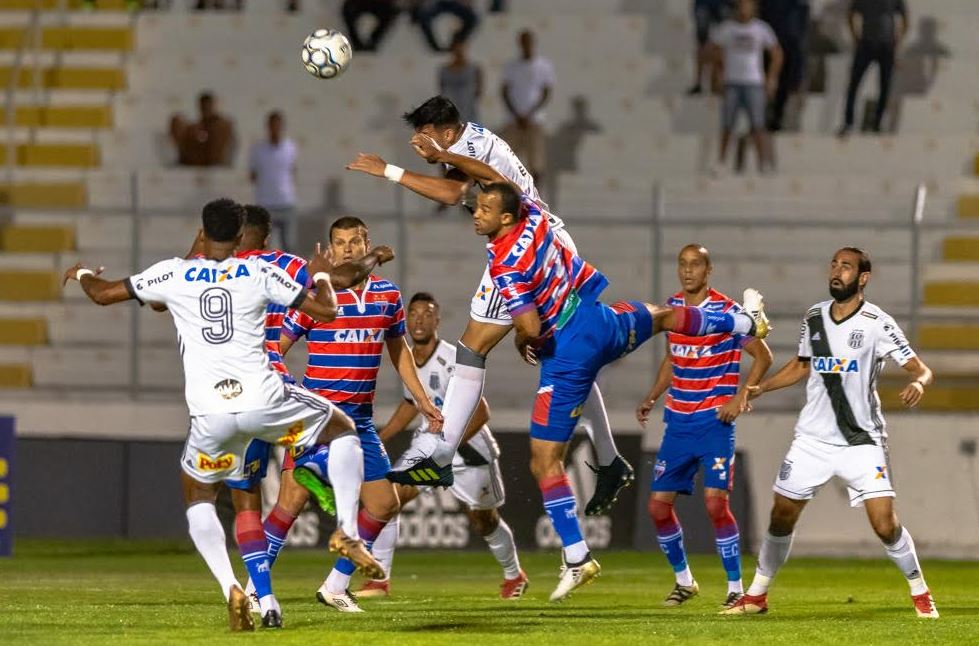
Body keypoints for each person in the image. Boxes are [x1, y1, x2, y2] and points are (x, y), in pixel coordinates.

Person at [62, 198, 379, 631]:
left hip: (210, 415)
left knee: (203, 497)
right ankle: (345, 527)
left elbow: (103, 295)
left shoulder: (172, 272)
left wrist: (81, 274)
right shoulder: (261, 270)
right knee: (342, 429)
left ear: (203, 231)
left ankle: (236, 586)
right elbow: (327, 307)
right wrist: (323, 271)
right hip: (266, 399)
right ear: (247, 235)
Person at [474, 182, 771, 601]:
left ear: (505, 217)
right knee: (664, 314)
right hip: (600, 321)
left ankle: (577, 557)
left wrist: (523, 341)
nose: (475, 211)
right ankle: (745, 323)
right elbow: (498, 181)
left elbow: (530, 328)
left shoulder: (505, 265)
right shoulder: (535, 217)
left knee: (544, 461)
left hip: (570, 355)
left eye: (485, 207)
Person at [346, 95, 636, 517]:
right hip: (547, 243)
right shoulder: (467, 146)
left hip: (524, 249)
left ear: (446, 133)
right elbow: (454, 192)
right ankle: (609, 461)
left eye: (424, 136)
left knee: (471, 348)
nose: (417, 144)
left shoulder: (473, 150)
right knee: (566, 358)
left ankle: (442, 456)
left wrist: (402, 166)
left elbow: (499, 186)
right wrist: (406, 166)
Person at [724, 247, 938, 619]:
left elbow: (921, 369)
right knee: (780, 516)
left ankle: (920, 592)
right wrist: (762, 388)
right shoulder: (815, 316)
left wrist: (919, 383)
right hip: (812, 440)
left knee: (884, 523)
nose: (837, 272)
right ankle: (756, 595)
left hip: (861, 440)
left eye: (847, 267)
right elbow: (801, 365)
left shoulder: (877, 322)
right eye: (834, 265)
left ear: (863, 277)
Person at [261, 216, 444, 614]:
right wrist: (286, 392)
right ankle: (254, 587)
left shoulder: (388, 296)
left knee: (383, 504)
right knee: (289, 505)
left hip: (359, 420)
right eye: (339, 243)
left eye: (354, 241)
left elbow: (400, 353)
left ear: (367, 244)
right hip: (318, 418)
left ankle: (335, 585)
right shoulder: (316, 296)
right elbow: (275, 346)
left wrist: (423, 400)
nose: (346, 249)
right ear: (329, 250)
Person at [360, 292, 528, 600]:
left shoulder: (451, 357)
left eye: (427, 313)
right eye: (414, 314)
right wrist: (375, 438)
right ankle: (379, 581)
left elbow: (481, 412)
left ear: (437, 321)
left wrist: (447, 447)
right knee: (388, 500)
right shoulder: (407, 358)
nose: (420, 319)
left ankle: (514, 576)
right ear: (406, 319)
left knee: (483, 520)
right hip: (428, 447)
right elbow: (411, 406)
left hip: (469, 452)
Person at [636, 245, 772, 609]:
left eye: (695, 264)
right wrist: (652, 396)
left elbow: (764, 355)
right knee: (657, 508)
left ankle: (734, 587)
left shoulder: (729, 312)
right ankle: (684, 582)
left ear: (708, 270)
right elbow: (672, 357)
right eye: (682, 264)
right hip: (677, 424)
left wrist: (740, 397)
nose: (688, 271)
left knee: (715, 505)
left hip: (714, 423)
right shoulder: (672, 308)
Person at [707, 0, 782, 173]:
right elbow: (713, 50)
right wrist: (718, 72)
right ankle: (722, 161)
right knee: (727, 124)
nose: (743, 9)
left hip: (754, 82)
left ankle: (763, 163)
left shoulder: (761, 28)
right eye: (740, 6)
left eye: (746, 6)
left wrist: (771, 77)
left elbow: (777, 53)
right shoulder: (727, 28)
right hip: (732, 81)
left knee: (758, 124)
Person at [837, 0, 908, 137]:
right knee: (854, 84)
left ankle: (877, 124)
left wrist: (897, 41)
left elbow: (905, 19)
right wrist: (855, 37)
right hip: (866, 44)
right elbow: (851, 14)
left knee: (885, 86)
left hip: (887, 46)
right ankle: (848, 122)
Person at [501, 30, 555, 183]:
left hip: (534, 121)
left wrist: (529, 114)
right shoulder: (511, 66)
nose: (526, 45)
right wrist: (517, 114)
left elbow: (546, 93)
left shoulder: (544, 65)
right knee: (506, 163)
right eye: (523, 42)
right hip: (513, 120)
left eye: (528, 42)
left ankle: (535, 201)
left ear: (533, 43)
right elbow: (504, 92)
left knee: (536, 165)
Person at [249, 112, 298, 253]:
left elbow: (293, 170)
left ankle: (289, 274)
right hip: (265, 204)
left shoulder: (290, 147)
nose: (275, 128)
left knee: (288, 245)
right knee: (264, 245)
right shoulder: (258, 149)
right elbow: (253, 175)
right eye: (272, 125)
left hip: (285, 202)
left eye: (278, 125)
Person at [760, 0, 810, 132]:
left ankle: (778, 117)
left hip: (790, 47)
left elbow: (799, 35)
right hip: (770, 45)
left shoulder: (798, 8)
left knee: (787, 84)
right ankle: (767, 118)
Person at [170, 92, 235, 167]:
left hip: (212, 161)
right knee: (177, 120)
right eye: (203, 107)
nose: (205, 109)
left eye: (207, 106)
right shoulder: (195, 128)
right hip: (195, 160)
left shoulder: (222, 125)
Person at [688, 0, 732, 95]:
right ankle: (699, 82)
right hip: (704, 4)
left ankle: (720, 82)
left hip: (720, 5)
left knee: (722, 43)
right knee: (703, 44)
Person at [439, 38, 483, 124]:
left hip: (470, 115)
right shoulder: (443, 70)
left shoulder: (475, 69)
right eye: (456, 48)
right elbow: (442, 91)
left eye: (461, 47)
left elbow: (478, 93)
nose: (459, 51)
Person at [414, 0, 480, 53]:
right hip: (436, 4)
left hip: (455, 3)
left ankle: (458, 41)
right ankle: (436, 47)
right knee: (423, 16)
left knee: (474, 18)